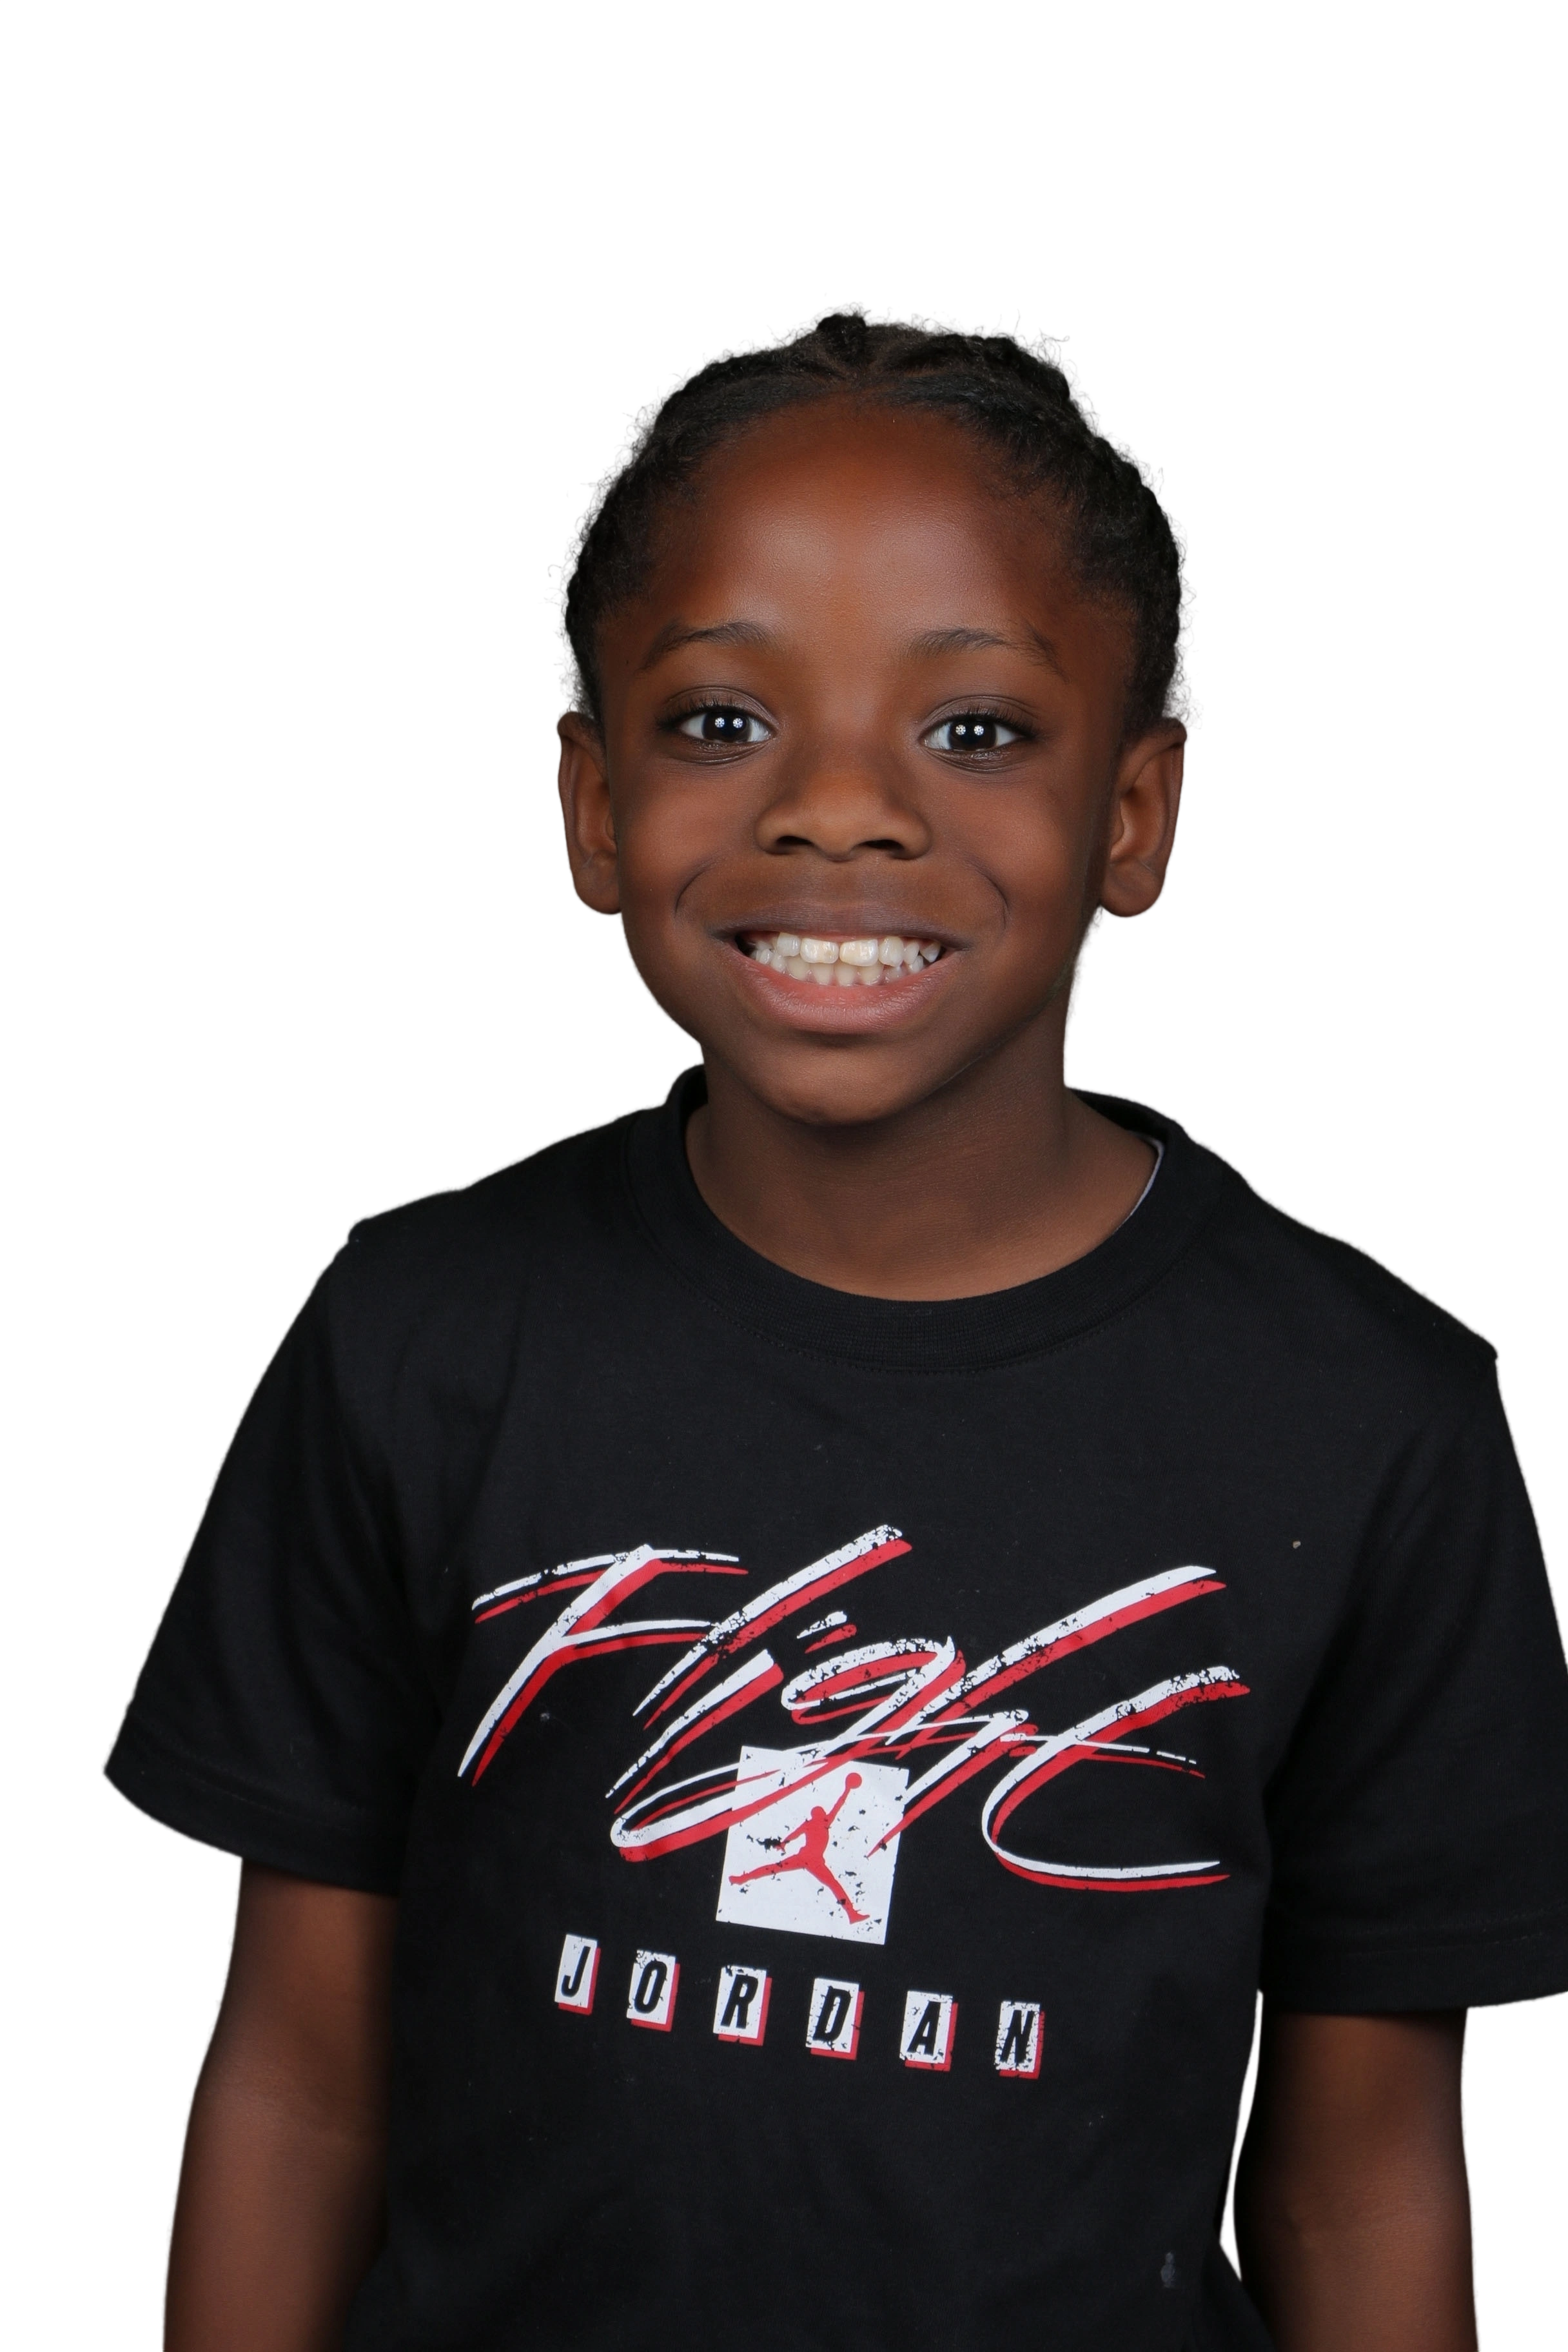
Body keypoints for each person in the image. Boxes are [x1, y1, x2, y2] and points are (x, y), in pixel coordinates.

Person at [101, 302, 1568, 2352]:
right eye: (722, 721)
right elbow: (299, 2080)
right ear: (590, 802)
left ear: (1136, 811)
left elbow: (1360, 2172)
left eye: (977, 730)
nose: (839, 807)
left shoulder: (1372, 1417)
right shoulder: (421, 1335)